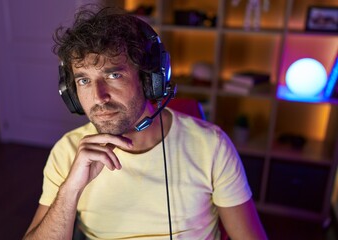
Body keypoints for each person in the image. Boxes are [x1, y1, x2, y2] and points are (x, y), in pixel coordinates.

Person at [24, 5, 267, 240]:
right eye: (84, 81)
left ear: (150, 79)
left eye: (113, 75)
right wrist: (70, 190)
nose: (98, 97)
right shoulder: (68, 153)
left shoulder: (211, 146)